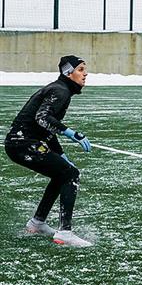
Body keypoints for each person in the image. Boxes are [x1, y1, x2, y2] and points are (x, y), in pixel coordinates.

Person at [4, 55, 94, 247]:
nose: (85, 74)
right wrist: (70, 133)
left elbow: (46, 129)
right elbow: (42, 118)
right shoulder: (60, 91)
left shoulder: (61, 89)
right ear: (68, 73)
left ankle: (37, 223)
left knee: (62, 174)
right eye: (80, 69)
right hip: (23, 143)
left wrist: (60, 154)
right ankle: (65, 232)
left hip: (22, 143)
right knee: (71, 174)